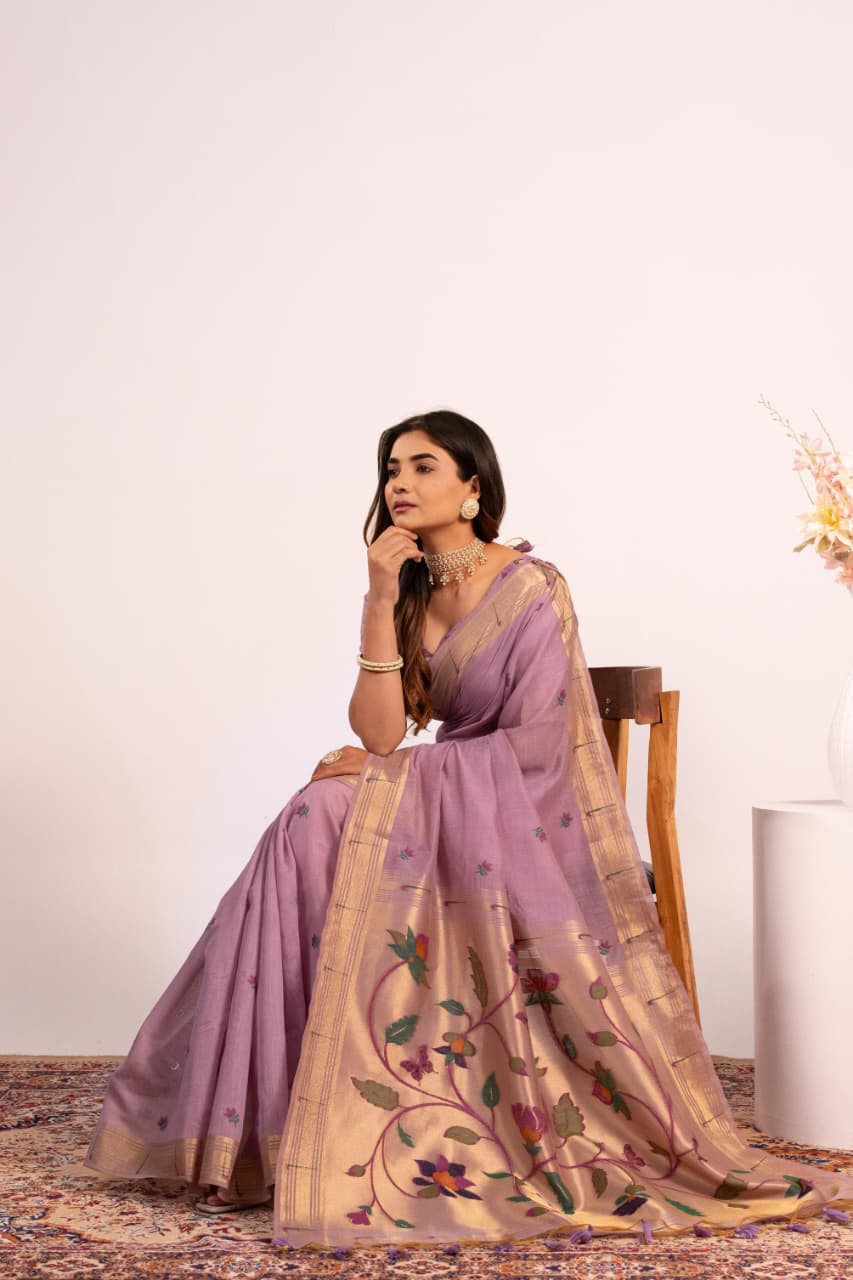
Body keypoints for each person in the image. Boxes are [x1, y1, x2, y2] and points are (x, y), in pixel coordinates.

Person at [85, 410, 852, 1250]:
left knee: (325, 807)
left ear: (472, 487)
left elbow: (537, 747)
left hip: (524, 814)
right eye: (390, 469)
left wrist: (390, 778)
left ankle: (332, 1116)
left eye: (422, 466)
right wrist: (379, 601)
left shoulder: (532, 587)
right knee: (308, 817)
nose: (400, 483)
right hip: (448, 805)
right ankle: (270, 1132)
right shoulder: (406, 591)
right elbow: (382, 732)